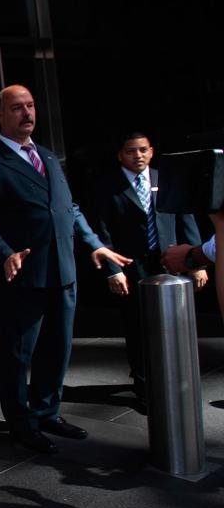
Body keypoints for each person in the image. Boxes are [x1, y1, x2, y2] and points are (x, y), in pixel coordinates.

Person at [0, 84, 133, 454]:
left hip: (63, 271)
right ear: (0, 114)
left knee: (58, 348)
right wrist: (4, 252)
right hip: (22, 276)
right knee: (17, 354)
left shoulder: (47, 157)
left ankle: (46, 411)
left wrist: (97, 245)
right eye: (17, 108)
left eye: (30, 105)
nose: (27, 113)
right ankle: (20, 423)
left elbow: (69, 209)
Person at [92, 132, 206, 410]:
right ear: (120, 155)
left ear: (152, 152)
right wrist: (112, 270)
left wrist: (196, 262)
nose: (138, 155)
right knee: (138, 325)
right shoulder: (108, 186)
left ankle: (176, 381)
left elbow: (185, 218)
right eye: (131, 151)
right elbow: (102, 230)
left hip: (170, 261)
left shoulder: (164, 180)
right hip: (132, 266)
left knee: (175, 323)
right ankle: (144, 385)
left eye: (143, 150)